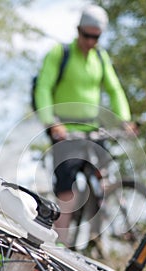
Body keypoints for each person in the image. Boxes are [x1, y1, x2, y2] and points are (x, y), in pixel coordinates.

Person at [34, 5, 131, 245]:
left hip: (93, 129)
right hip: (65, 130)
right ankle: (57, 246)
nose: (90, 41)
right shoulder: (60, 53)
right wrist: (51, 123)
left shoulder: (101, 57)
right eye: (86, 35)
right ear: (78, 31)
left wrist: (124, 119)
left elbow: (114, 89)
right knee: (66, 189)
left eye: (95, 37)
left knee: (107, 176)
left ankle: (116, 228)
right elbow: (43, 87)